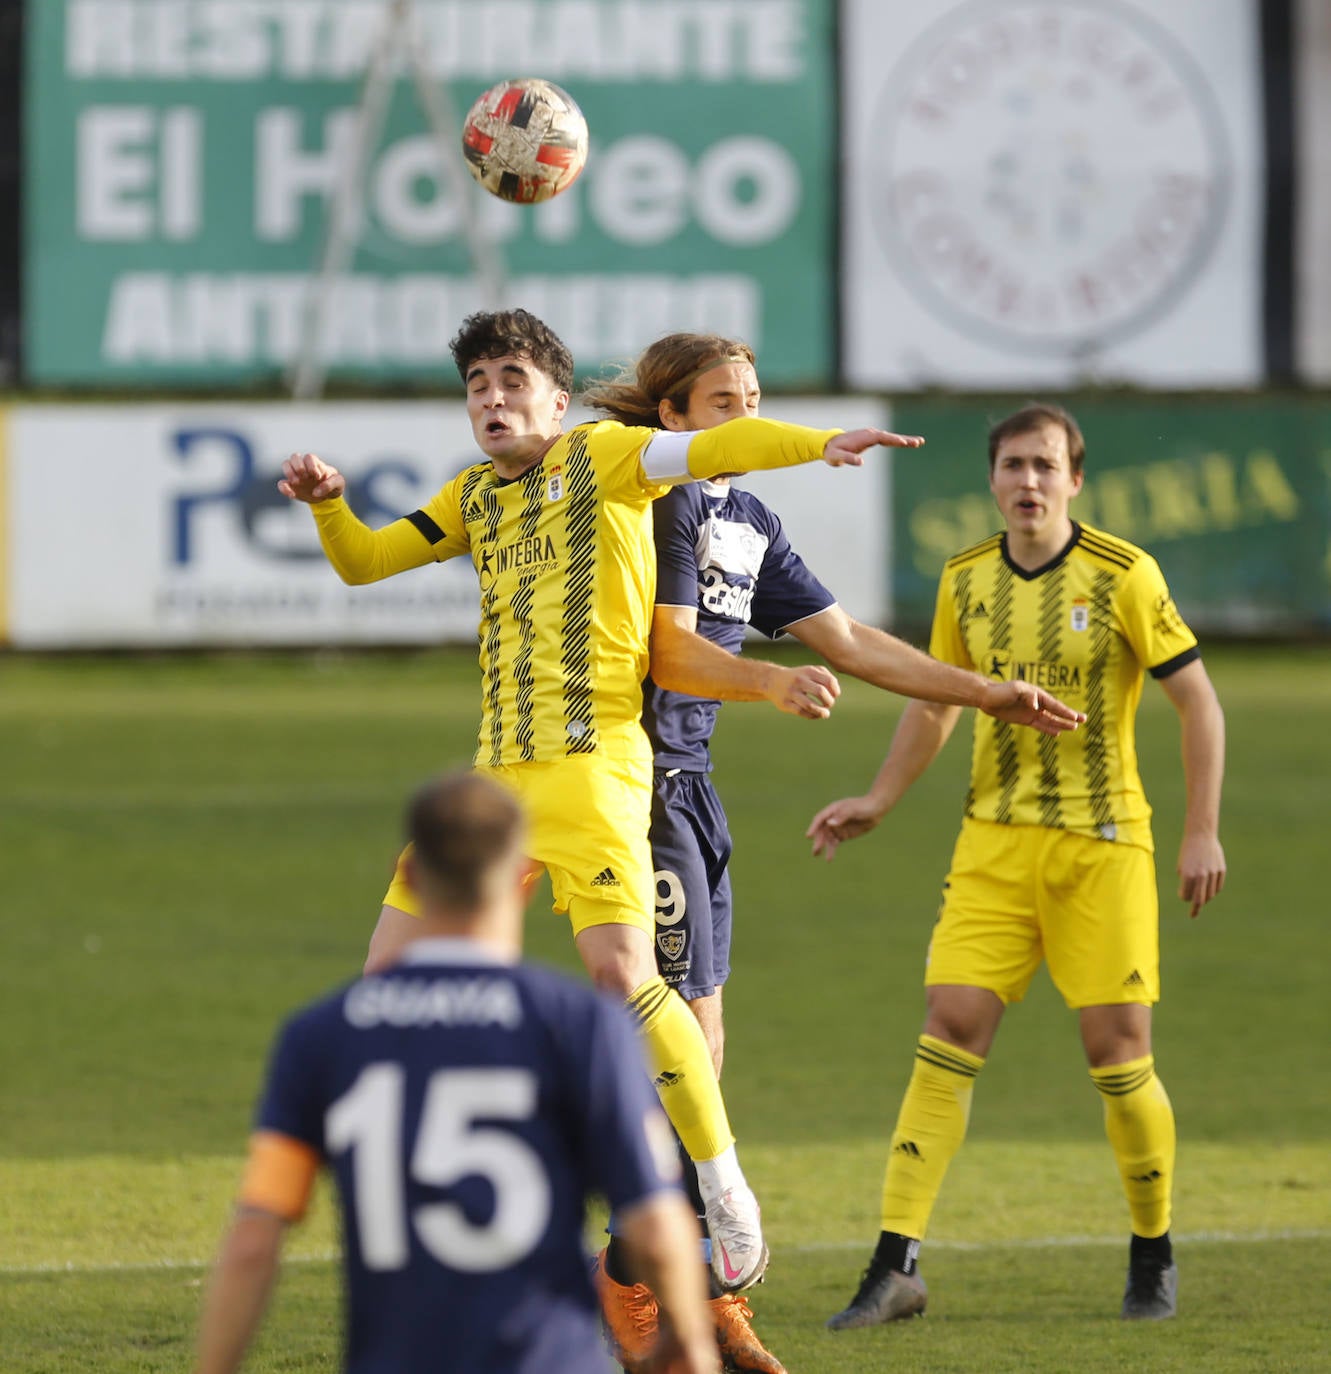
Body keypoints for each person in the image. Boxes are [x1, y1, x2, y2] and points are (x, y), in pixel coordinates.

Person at [277, 307, 929, 1298]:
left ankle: (721, 1186)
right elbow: (364, 561)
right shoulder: (472, 497)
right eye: (476, 386)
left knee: (625, 976)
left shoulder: (606, 458)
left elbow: (719, 442)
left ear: (554, 393)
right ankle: (449, 1200)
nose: (490, 399)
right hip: (493, 785)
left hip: (591, 771)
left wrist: (815, 444)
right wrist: (329, 504)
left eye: (509, 380)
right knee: (389, 987)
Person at [577, 338, 1085, 1374]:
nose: (748, 416)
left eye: (755, 399)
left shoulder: (746, 518)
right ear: (670, 416)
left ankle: (682, 1282)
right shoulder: (656, 503)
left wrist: (984, 691)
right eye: (725, 401)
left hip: (691, 794)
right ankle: (643, 1280)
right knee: (677, 1058)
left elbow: (847, 641)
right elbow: (669, 650)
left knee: (698, 1059)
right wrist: (766, 684)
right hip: (626, 789)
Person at [808, 402, 1227, 1328]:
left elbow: (1198, 703)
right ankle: (894, 1266)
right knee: (946, 1029)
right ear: (991, 481)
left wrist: (1200, 830)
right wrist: (878, 798)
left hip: (1102, 844)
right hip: (992, 845)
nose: (1027, 482)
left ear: (1074, 479)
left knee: (1116, 1055)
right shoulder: (963, 580)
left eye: (1044, 465)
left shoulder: (1122, 574)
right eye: (1012, 466)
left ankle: (1151, 1253)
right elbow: (932, 704)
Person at [193, 771, 720, 1374]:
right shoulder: (580, 1027)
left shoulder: (322, 1037)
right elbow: (655, 1220)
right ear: (521, 884)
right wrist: (688, 1340)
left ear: (411, 876)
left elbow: (257, 1233)